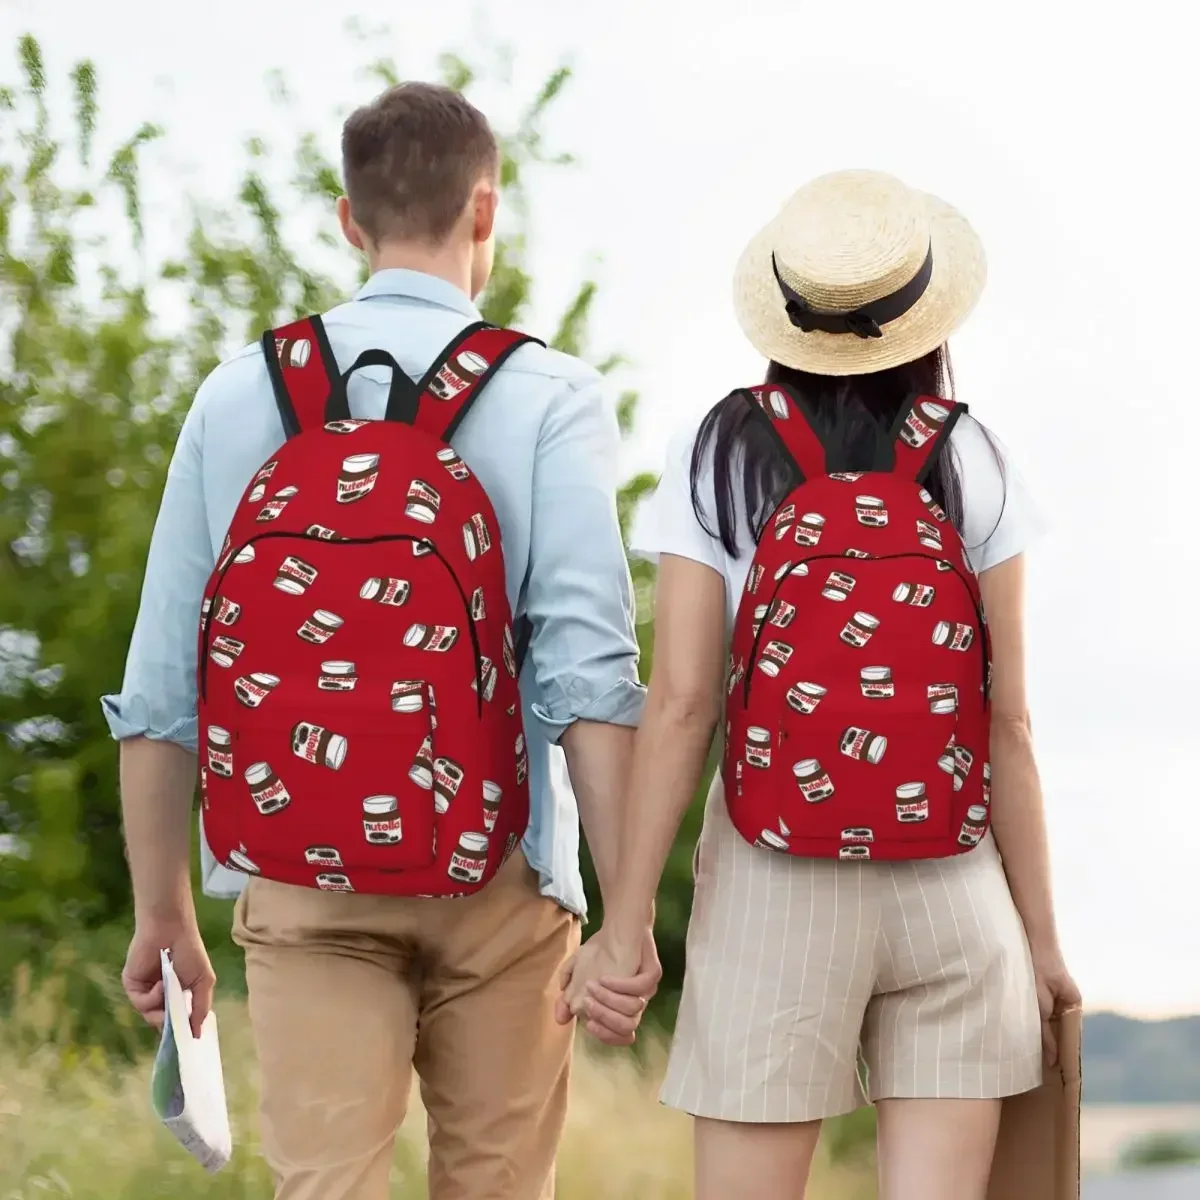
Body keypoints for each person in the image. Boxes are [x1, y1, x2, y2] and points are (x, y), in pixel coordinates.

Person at [105, 81, 661, 1200]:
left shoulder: (237, 394)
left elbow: (164, 683)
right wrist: (627, 916)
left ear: (349, 220)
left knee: (326, 1185)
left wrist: (161, 909)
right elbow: (588, 678)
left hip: (299, 873)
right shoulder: (549, 394)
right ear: (485, 213)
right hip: (501, 872)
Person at [563, 169, 1081, 1200]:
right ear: (925, 315)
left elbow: (681, 706)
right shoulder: (974, 457)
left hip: (773, 880)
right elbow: (1008, 722)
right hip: (953, 882)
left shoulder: (718, 452)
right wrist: (1043, 944)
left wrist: (624, 925)